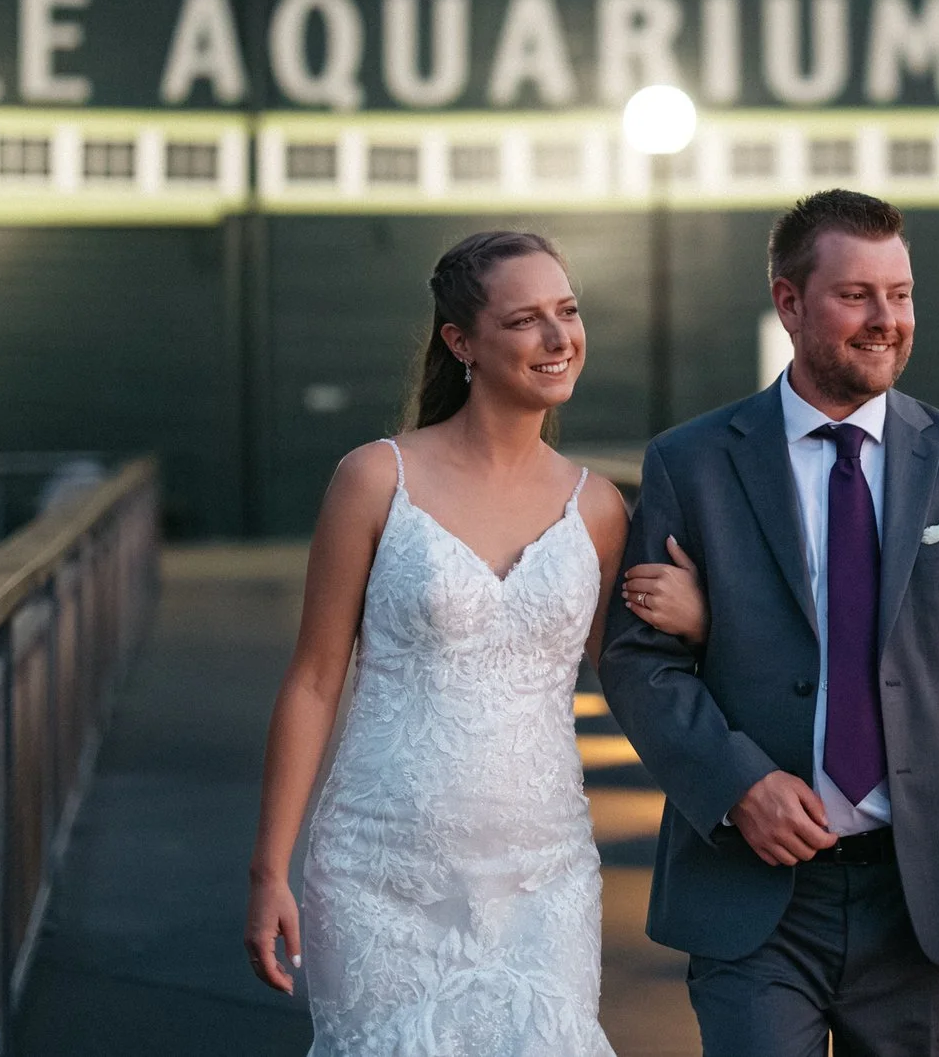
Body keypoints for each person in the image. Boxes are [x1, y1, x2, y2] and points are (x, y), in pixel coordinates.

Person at [602, 190, 939, 1057]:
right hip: (753, 893)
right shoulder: (692, 463)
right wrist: (739, 782)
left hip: (925, 893)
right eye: (857, 295)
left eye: (900, 294)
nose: (886, 319)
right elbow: (640, 663)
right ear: (790, 302)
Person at [243, 229, 707, 1056]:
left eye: (568, 311)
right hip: (380, 871)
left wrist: (700, 623)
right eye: (526, 319)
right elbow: (314, 680)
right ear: (462, 342)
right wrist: (268, 869)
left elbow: (638, 680)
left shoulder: (598, 507)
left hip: (543, 876)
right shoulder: (374, 479)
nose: (559, 337)